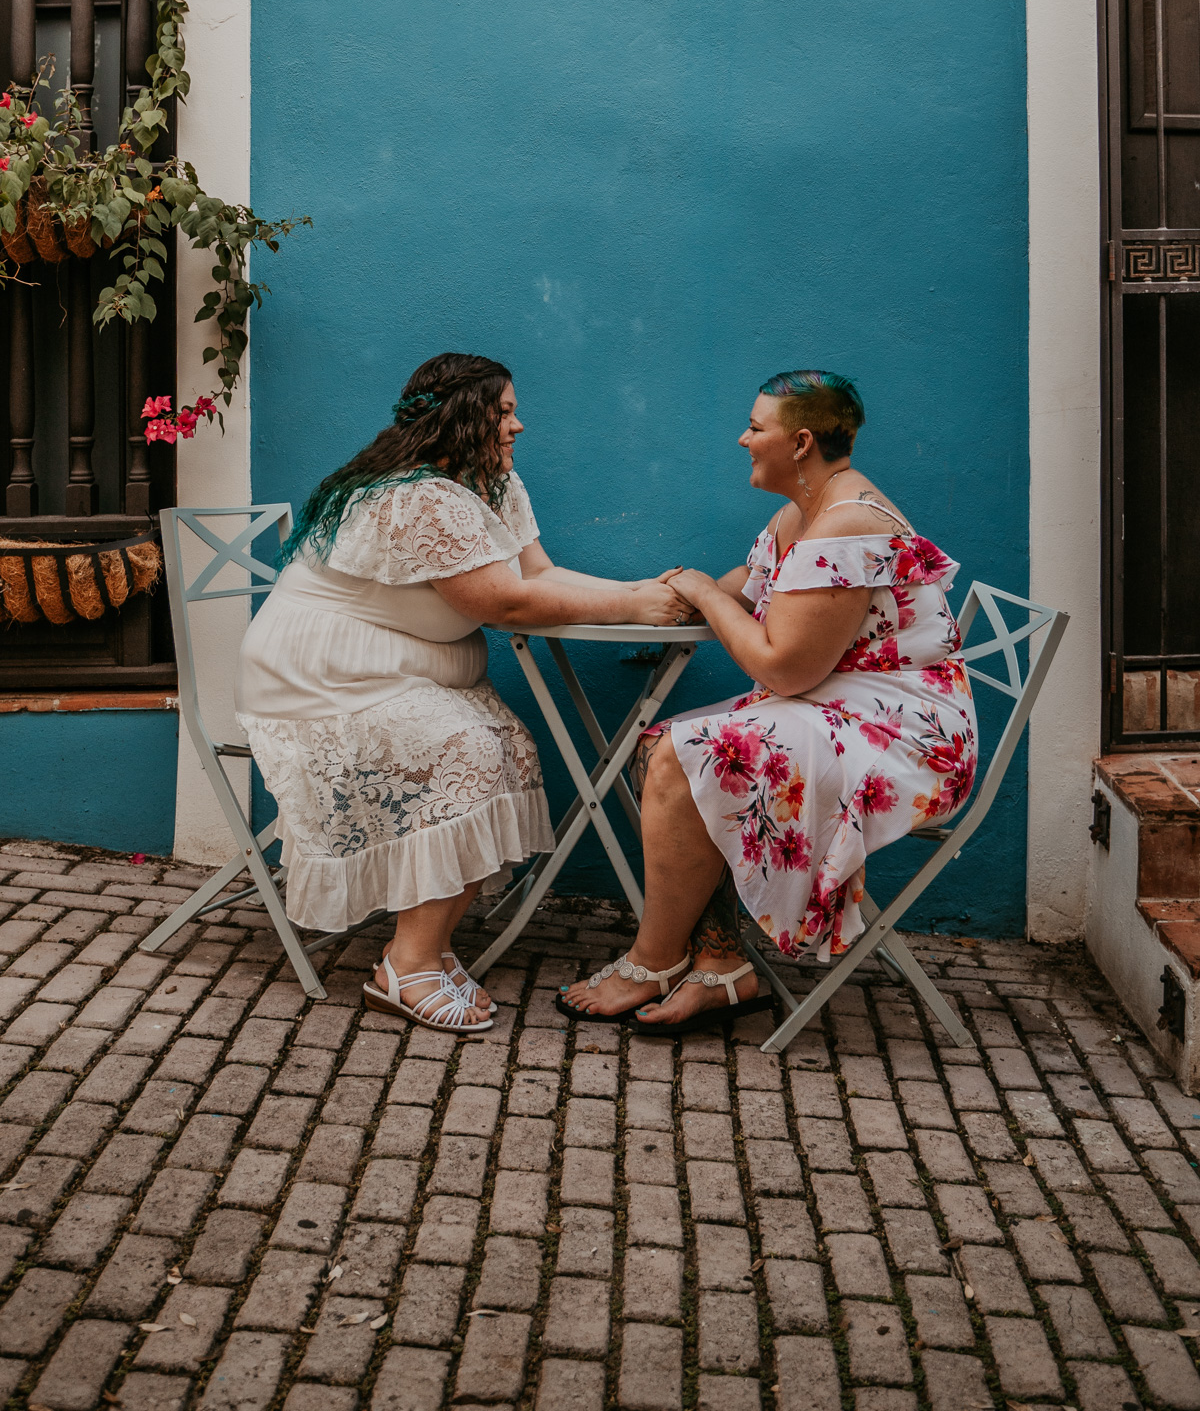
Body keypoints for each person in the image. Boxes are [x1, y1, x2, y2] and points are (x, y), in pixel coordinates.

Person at [236, 351, 685, 1033]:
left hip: (398, 676)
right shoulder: (417, 496)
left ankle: (430, 947)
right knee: (468, 749)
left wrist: (640, 595)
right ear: (467, 417)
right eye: (505, 411)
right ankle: (405, 968)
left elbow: (541, 572)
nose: (519, 425)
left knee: (508, 745)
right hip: (321, 678)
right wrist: (636, 607)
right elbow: (504, 602)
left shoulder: (491, 485)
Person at [560, 369, 978, 1036]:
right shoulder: (804, 509)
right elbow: (743, 594)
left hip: (901, 738)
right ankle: (723, 966)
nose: (742, 438)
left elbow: (783, 668)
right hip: (841, 709)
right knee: (664, 745)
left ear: (802, 441)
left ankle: (654, 959)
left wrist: (701, 592)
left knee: (688, 752)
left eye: (757, 427)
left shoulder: (847, 523)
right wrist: (661, 597)